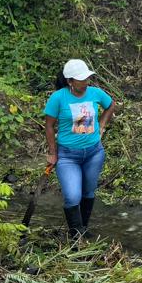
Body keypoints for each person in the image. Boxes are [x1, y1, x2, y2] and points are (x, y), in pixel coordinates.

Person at [43, 59, 115, 240]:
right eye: (81, 79)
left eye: (87, 78)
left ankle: (83, 230)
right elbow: (49, 126)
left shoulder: (95, 93)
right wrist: (52, 152)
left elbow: (110, 105)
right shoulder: (58, 98)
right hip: (68, 156)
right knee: (72, 196)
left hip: (94, 153)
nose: (86, 82)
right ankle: (76, 235)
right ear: (70, 81)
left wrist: (102, 125)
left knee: (88, 191)